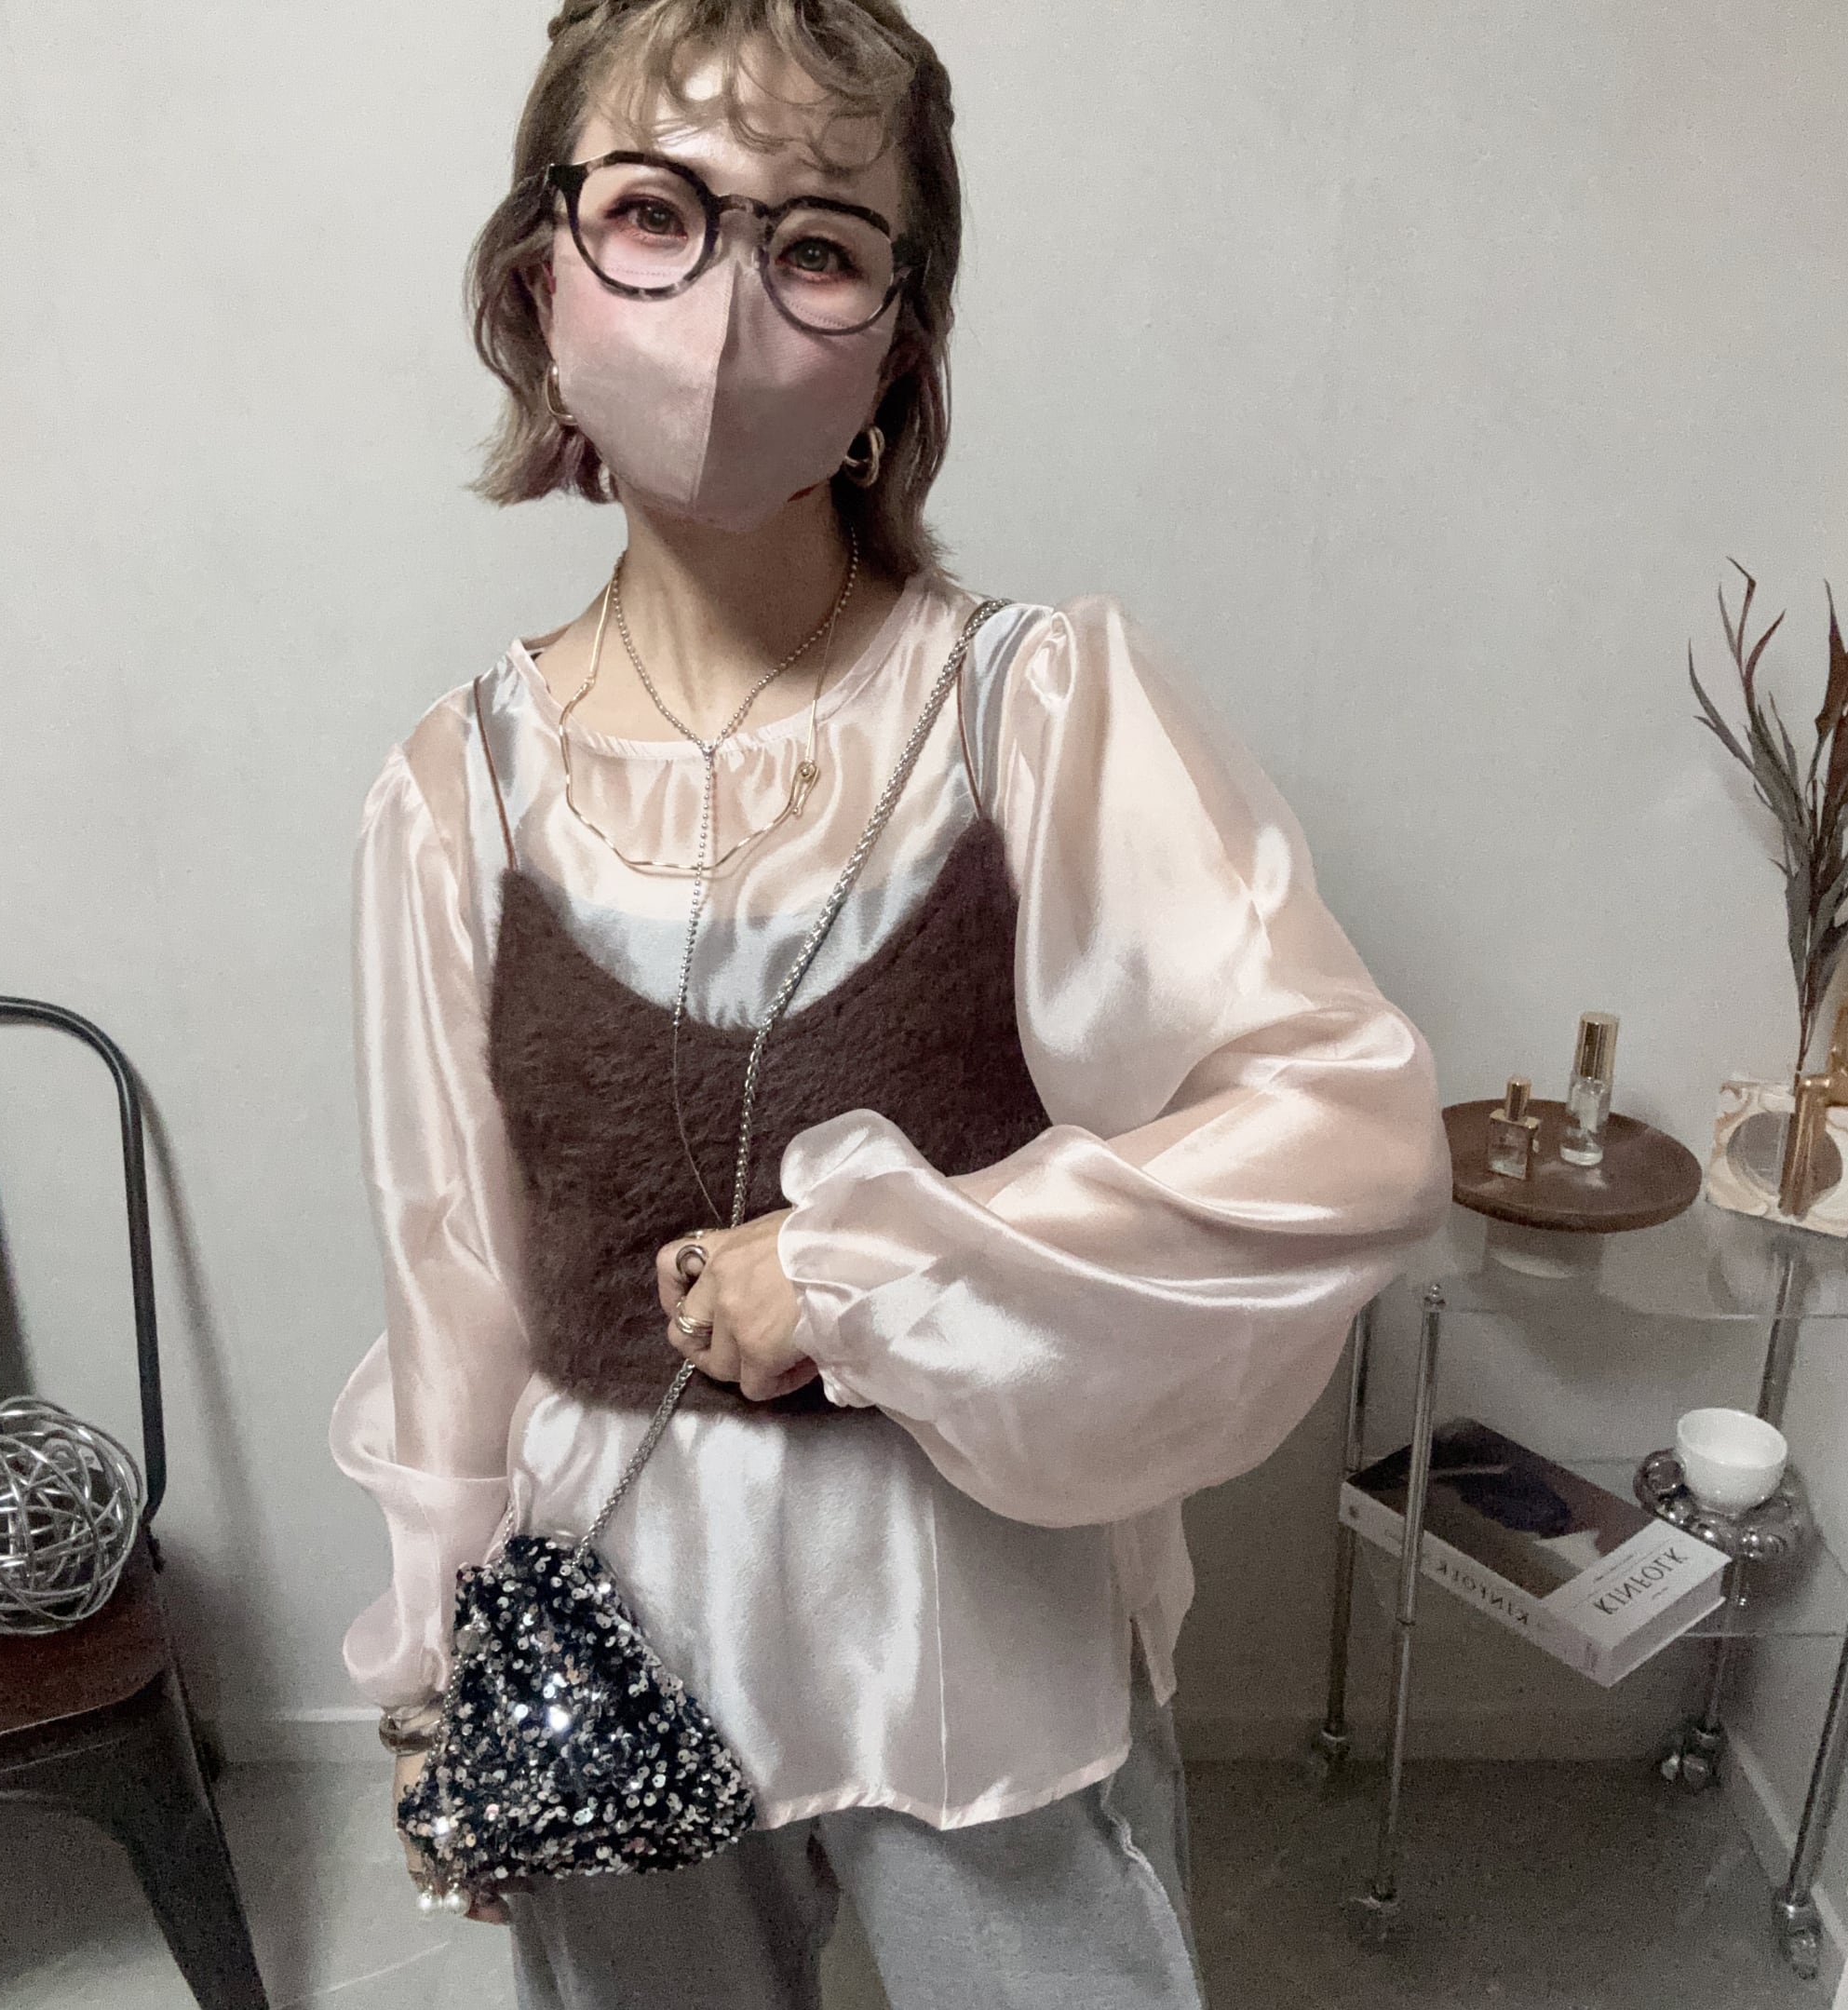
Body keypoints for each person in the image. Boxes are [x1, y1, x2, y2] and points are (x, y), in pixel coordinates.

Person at [328, 3, 1451, 2004]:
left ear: (896, 351)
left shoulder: (1036, 707)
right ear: (538, 279)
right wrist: (436, 1677)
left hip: (961, 1616)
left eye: (819, 244)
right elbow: (457, 1275)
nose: (724, 311)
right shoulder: (454, 788)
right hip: (608, 1624)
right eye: (654, 214)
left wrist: (861, 1272)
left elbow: (1343, 1134)